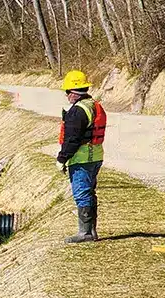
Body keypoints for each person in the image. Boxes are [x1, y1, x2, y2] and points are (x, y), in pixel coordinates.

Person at [57, 70, 107, 244]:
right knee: (89, 192)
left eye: (66, 92)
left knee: (81, 193)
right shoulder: (93, 105)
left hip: (81, 159)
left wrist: (62, 158)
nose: (66, 95)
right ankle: (91, 231)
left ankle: (85, 233)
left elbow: (72, 139)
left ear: (72, 92)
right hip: (96, 156)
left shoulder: (77, 111)